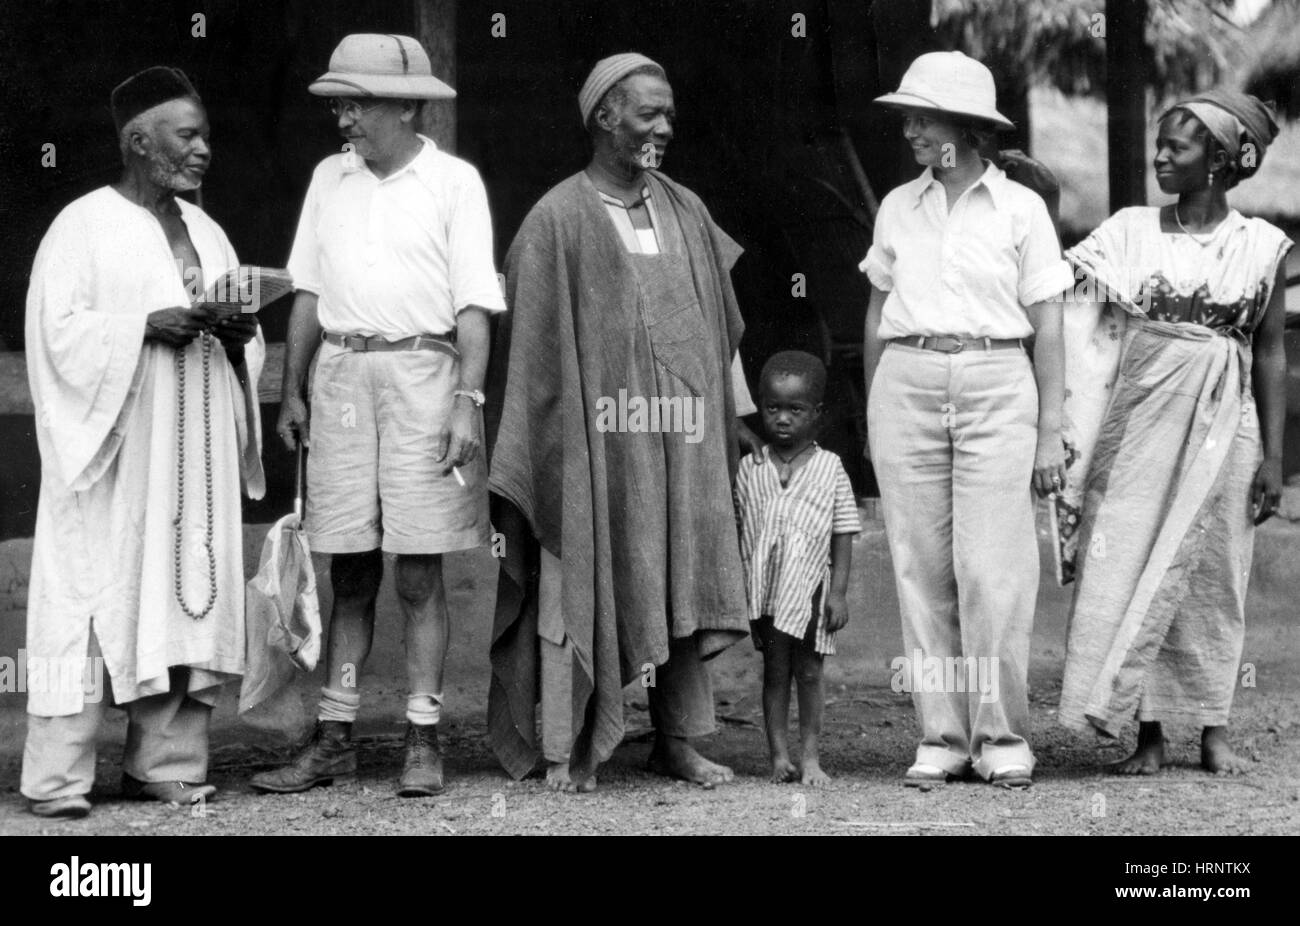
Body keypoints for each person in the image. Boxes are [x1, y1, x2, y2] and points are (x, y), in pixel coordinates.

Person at [486, 52, 763, 792]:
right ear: (605, 117)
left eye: (669, 114)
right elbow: (535, 354)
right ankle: (572, 743)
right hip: (598, 443)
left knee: (684, 571)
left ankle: (678, 741)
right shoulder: (556, 219)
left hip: (688, 436)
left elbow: (717, 326)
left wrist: (735, 411)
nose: (664, 128)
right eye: (649, 114)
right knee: (592, 565)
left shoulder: (685, 208)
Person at [250, 34, 505, 797]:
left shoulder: (454, 182)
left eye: (357, 104)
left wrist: (468, 401)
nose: (345, 120)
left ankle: (422, 736)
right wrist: (291, 388)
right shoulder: (331, 178)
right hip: (340, 378)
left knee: (420, 572)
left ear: (404, 105)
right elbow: (306, 291)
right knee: (350, 568)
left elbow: (475, 307)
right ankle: (335, 735)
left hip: (426, 375)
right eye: (340, 104)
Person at [22, 67, 264, 818]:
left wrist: (238, 336)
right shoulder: (82, 225)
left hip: (192, 458)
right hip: (116, 459)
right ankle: (59, 778)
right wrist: (139, 328)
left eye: (206, 138)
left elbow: (242, 341)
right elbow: (53, 336)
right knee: (90, 597)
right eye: (187, 136)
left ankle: (165, 762)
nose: (203, 151)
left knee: (184, 594)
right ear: (138, 141)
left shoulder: (208, 231)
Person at [1057, 91, 1290, 776]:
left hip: (1226, 422)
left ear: (1218, 161)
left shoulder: (1262, 246)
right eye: (1158, 143)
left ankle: (1213, 731)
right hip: (1144, 418)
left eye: (1177, 147)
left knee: (1216, 570)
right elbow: (1077, 318)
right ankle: (1149, 734)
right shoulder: (1129, 231)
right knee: (1136, 558)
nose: (1160, 156)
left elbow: (1269, 352)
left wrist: (1275, 457)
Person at [860, 51, 1073, 789]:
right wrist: (874, 408)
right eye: (908, 116)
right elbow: (877, 311)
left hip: (996, 382)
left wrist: (1050, 431)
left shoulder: (1021, 210)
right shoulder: (898, 205)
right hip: (908, 381)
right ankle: (942, 736)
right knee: (920, 567)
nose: (911, 129)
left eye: (923, 116)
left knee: (992, 569)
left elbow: (1049, 325)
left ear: (967, 126)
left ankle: (1001, 735)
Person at [735, 351, 860, 786]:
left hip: (810, 594)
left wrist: (839, 593)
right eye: (772, 408)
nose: (783, 419)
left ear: (817, 415)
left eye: (795, 410)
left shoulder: (830, 468)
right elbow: (738, 528)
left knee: (808, 672)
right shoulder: (750, 467)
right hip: (768, 593)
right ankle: (778, 757)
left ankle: (810, 757)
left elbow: (843, 532)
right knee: (774, 672)